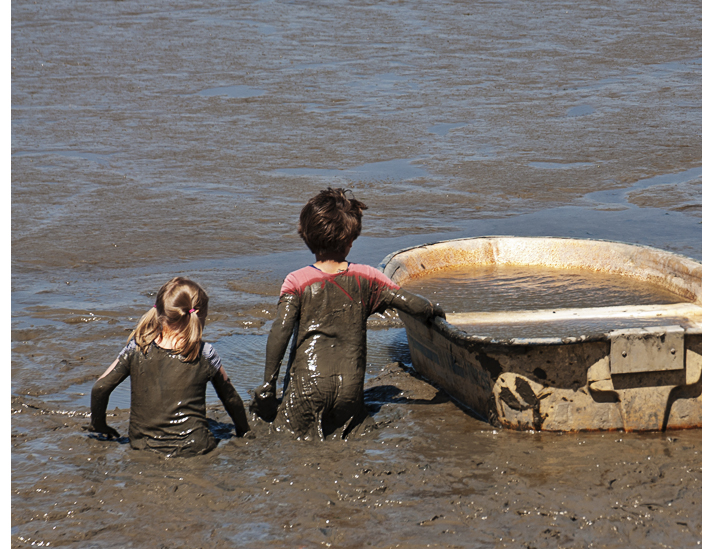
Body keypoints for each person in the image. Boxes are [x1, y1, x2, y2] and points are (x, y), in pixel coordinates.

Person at [249, 187, 444, 440]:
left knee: (289, 433)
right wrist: (434, 311)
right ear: (351, 241)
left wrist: (268, 385)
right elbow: (411, 303)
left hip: (305, 387)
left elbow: (280, 332)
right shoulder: (369, 277)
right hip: (349, 390)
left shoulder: (296, 281)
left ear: (305, 236)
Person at [89, 277, 251, 457]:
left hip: (143, 445)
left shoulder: (137, 347)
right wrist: (244, 432)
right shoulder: (204, 352)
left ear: (158, 311)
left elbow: (100, 388)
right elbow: (230, 398)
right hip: (195, 447)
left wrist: (99, 424)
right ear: (198, 316)